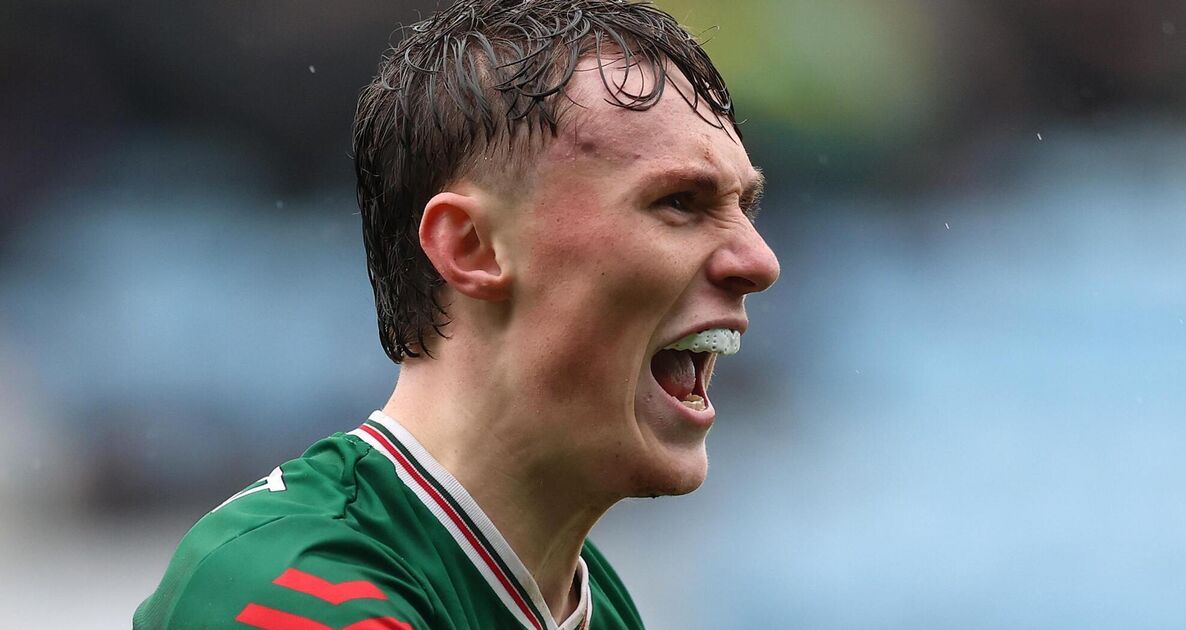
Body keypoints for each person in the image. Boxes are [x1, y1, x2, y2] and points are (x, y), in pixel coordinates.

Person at [135, 0, 779, 627]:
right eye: (680, 201)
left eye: (744, 208)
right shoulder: (293, 586)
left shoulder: (595, 603)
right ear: (471, 246)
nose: (759, 261)